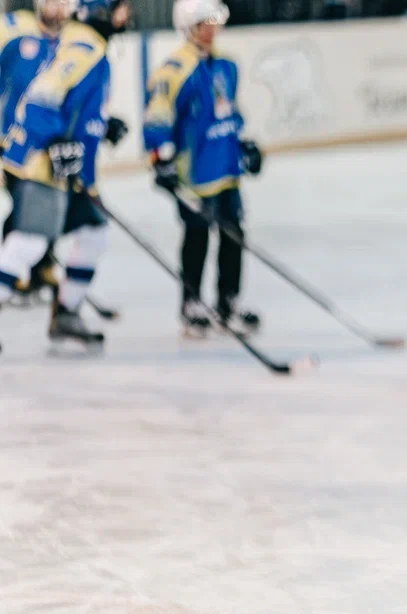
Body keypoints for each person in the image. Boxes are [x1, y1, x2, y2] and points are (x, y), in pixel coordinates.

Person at [0, 0, 131, 353]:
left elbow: (72, 104)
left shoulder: (88, 43)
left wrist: (101, 126)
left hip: (67, 170)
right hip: (41, 164)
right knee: (29, 242)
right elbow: (41, 99)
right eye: (119, 7)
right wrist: (56, 140)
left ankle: (67, 314)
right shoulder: (83, 45)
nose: (125, 15)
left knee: (93, 232)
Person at [144, 0, 263, 336]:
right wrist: (160, 158)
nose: (211, 30)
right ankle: (192, 303)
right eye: (203, 24)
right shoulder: (174, 70)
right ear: (187, 27)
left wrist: (244, 144)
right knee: (197, 235)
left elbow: (228, 111)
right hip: (193, 172)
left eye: (214, 23)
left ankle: (229, 303)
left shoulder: (227, 65)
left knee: (234, 234)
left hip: (225, 167)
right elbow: (157, 116)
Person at [0, 0, 81, 306]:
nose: (56, 8)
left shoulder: (74, 43)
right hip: (12, 142)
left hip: (49, 147)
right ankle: (21, 270)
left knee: (49, 206)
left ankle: (39, 266)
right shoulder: (14, 33)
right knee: (27, 205)